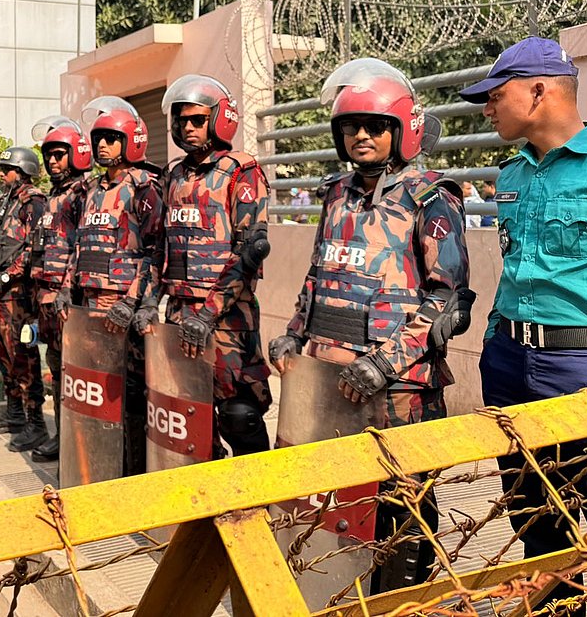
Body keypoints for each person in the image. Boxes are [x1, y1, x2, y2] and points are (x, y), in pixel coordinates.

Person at [268, 57, 472, 592]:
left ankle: (401, 601)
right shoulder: (335, 194)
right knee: (333, 502)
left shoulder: (431, 197)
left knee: (403, 511)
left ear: (402, 130)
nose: (361, 136)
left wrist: (384, 362)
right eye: (350, 127)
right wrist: (295, 331)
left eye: (376, 126)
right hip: (328, 379)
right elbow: (319, 274)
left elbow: (448, 300)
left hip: (398, 387)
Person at [459, 35, 587, 613]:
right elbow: (514, 271)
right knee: (537, 520)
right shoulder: (514, 177)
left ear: (537, 91)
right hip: (510, 364)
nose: (486, 108)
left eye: (494, 95)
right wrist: (491, 348)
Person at [161, 75, 272, 459]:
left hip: (227, 320)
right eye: (181, 121)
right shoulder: (173, 176)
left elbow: (248, 255)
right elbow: (162, 246)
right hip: (179, 314)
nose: (187, 128)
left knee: (239, 416)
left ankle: (259, 506)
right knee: (190, 417)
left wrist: (207, 315)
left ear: (218, 119)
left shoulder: (242, 172)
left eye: (197, 120)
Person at [59, 96, 164, 475]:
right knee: (94, 390)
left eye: (111, 138)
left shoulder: (145, 188)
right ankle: (101, 468)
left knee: (132, 395)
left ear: (130, 141)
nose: (102, 145)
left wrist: (134, 302)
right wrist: (66, 290)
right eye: (98, 138)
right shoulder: (88, 190)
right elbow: (78, 245)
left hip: (123, 314)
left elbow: (155, 252)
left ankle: (133, 475)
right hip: (89, 311)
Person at [27, 116, 93, 463]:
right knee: (55, 365)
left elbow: (82, 247)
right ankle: (63, 434)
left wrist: (67, 290)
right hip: (45, 296)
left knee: (74, 370)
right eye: (49, 155)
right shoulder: (54, 196)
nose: (53, 161)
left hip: (69, 299)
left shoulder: (84, 195)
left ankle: (76, 436)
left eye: (59, 154)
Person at [0, 148, 49, 453]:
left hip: (17, 296)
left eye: (7, 169)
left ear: (22, 170)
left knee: (23, 358)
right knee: (5, 358)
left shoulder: (33, 203)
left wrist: (3, 278)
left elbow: (32, 250)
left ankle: (36, 424)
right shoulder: (4, 204)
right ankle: (14, 413)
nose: (1, 175)